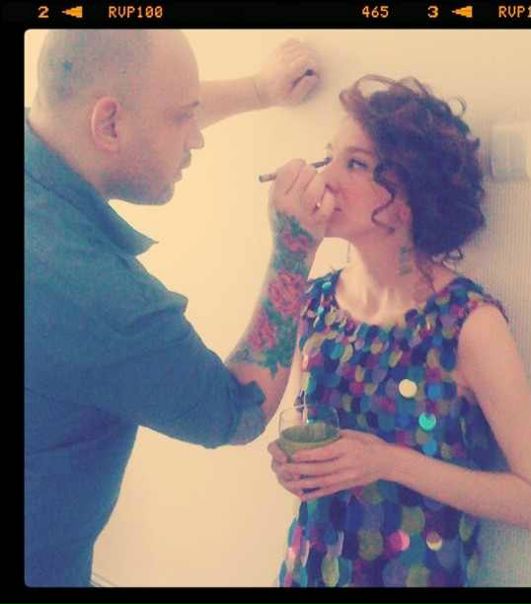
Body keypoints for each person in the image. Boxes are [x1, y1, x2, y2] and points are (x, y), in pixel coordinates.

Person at [25, 29, 336, 587]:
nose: (196, 139)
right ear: (109, 125)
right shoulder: (96, 296)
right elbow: (235, 410)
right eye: (182, 119)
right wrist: (295, 249)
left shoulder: (53, 123)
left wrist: (259, 90)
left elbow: (135, 105)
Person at [268, 74, 531, 587]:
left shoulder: (465, 323)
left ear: (408, 198)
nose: (325, 178)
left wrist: (387, 463)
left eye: (355, 164)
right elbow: (311, 433)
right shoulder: (315, 302)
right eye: (330, 157)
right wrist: (296, 465)